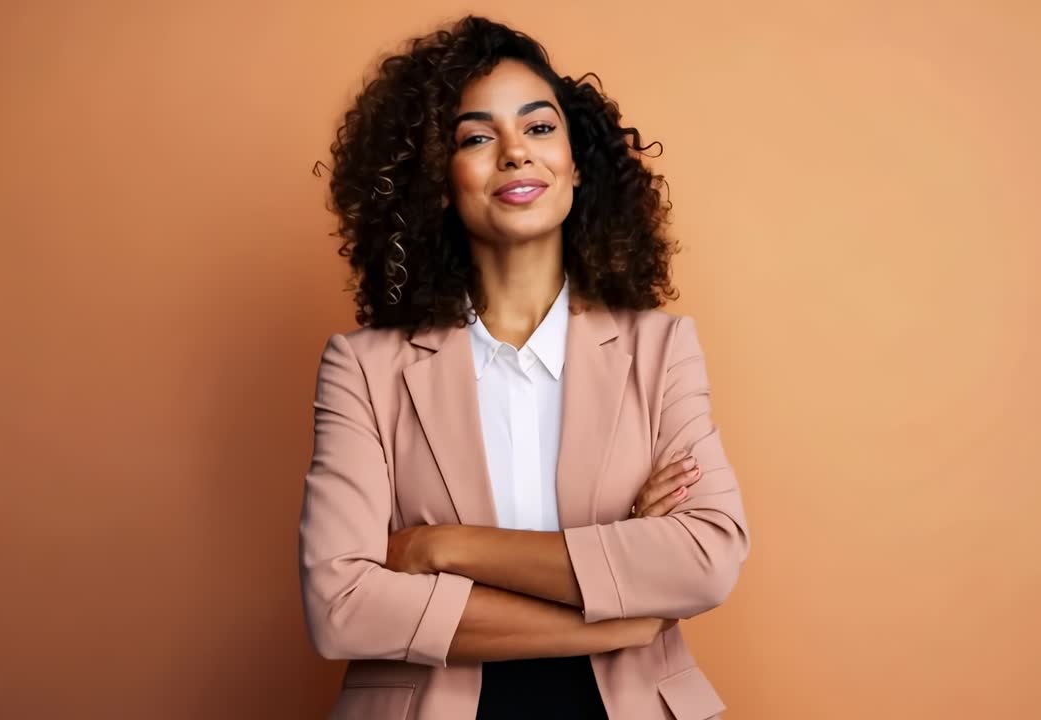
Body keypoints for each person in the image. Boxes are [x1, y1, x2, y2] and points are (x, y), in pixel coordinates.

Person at [299, 15, 749, 720]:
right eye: (477, 137)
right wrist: (618, 602)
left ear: (576, 165)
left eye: (539, 129)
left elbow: (706, 558)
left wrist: (440, 546)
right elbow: (342, 606)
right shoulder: (363, 369)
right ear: (438, 182)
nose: (515, 153)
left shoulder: (660, 350)